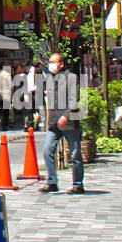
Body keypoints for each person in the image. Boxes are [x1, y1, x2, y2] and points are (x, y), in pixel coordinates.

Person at [40, 52, 84, 194]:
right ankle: (52, 181)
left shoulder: (71, 78)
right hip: (54, 122)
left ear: (61, 64)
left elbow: (74, 99)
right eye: (50, 62)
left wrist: (66, 116)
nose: (51, 64)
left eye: (54, 62)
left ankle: (78, 184)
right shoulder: (50, 78)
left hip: (69, 122)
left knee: (75, 154)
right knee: (47, 150)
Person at [0, 62, 14, 131]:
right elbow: (11, 86)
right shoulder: (7, 75)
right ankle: (5, 125)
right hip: (6, 95)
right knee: (5, 111)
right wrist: (11, 94)